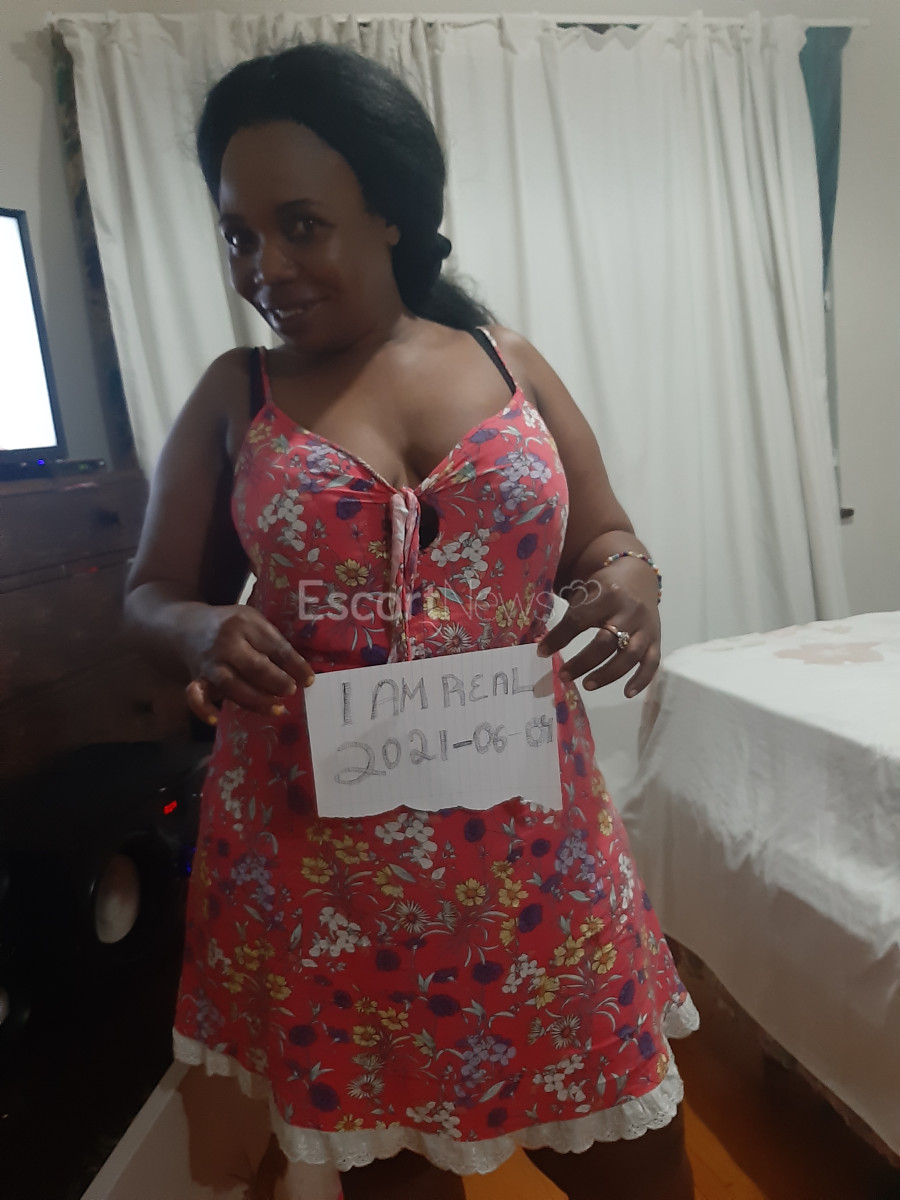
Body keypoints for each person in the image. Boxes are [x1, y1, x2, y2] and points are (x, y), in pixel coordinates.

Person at [125, 41, 698, 1200]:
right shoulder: (237, 395)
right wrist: (197, 632)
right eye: (239, 235)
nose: (265, 266)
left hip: (534, 864)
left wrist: (629, 583)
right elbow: (151, 592)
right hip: (323, 878)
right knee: (393, 1180)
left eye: (300, 225)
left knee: (643, 1175)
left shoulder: (505, 362)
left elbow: (605, 537)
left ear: (390, 212)